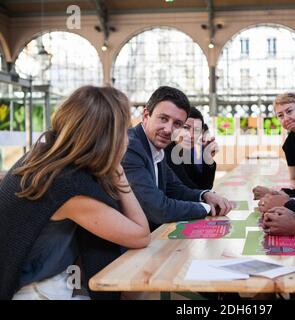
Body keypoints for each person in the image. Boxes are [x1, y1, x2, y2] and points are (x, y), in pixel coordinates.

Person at [0, 86, 151, 300]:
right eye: (124, 131)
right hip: (38, 292)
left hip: (49, 283)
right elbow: (141, 235)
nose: (128, 138)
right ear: (107, 138)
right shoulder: (66, 185)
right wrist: (119, 172)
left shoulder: (42, 159)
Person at [122, 86, 232, 231]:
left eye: (177, 124)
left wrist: (205, 195)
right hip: (123, 249)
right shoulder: (131, 147)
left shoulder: (156, 148)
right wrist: (205, 207)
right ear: (146, 115)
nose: (168, 129)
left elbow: (178, 190)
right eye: (163, 118)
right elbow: (159, 209)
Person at [165, 107, 218, 190]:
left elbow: (204, 187)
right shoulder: (164, 152)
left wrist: (208, 158)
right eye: (186, 127)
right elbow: (186, 191)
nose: (191, 135)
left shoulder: (185, 153)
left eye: (197, 130)